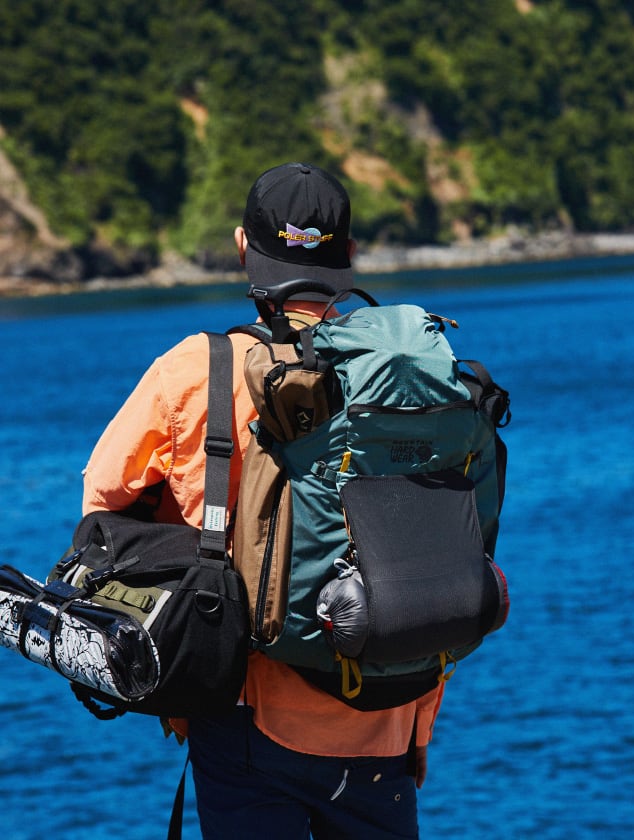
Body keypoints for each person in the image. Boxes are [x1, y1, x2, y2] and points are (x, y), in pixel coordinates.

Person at [82, 162, 445, 839]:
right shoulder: (410, 371)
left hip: (243, 716)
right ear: (350, 257)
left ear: (246, 250)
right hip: (386, 718)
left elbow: (102, 505)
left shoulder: (195, 372)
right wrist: (416, 725)